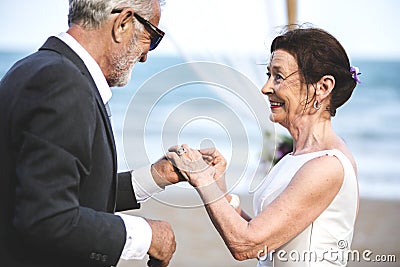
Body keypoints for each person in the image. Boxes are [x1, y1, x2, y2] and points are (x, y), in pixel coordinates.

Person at [0, 0, 185, 266]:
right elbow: (47, 218)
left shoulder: (36, 68)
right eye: (152, 38)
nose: (146, 55)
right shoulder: (63, 83)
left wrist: (156, 177)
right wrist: (146, 235)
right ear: (122, 23)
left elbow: (70, 190)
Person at [168, 27, 360, 266]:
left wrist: (202, 180)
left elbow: (247, 244)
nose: (266, 88)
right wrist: (218, 190)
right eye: (269, 75)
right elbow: (267, 237)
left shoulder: (328, 166)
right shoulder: (297, 157)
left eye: (278, 77)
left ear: (322, 87)